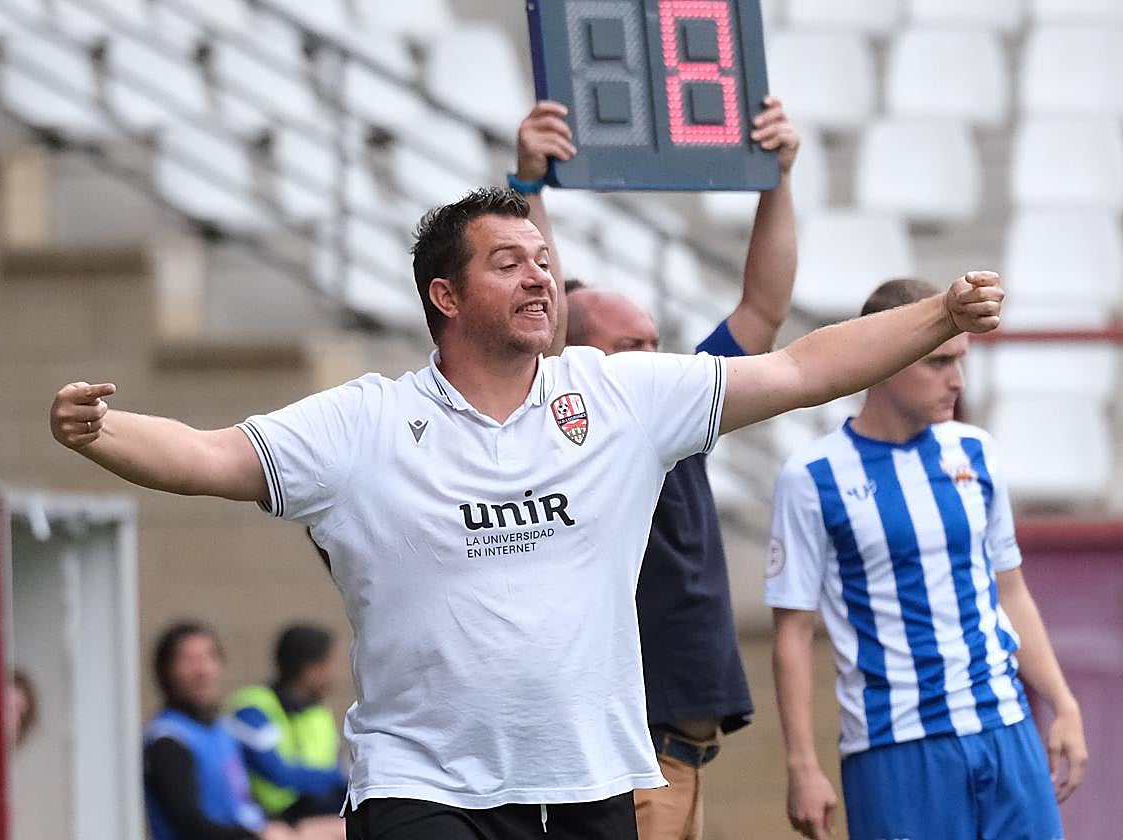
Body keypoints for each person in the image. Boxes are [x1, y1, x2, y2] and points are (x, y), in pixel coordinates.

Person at [50, 183, 1005, 840]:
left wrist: (940, 316)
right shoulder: (365, 422)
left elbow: (798, 369)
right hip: (422, 791)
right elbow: (212, 455)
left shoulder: (620, 394)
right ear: (445, 295)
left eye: (544, 261)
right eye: (508, 263)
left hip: (591, 783)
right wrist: (101, 431)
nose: (539, 277)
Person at [514, 97, 799, 840]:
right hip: (633, 758)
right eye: (629, 346)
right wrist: (529, 188)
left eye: (653, 341)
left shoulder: (676, 409)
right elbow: (545, 330)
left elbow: (763, 308)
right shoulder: (568, 430)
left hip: (680, 756)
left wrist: (778, 180)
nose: (653, 357)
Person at [764, 278, 1088, 840]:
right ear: (885, 358)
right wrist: (802, 763)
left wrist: (1062, 702)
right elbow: (792, 632)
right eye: (938, 361)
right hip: (896, 748)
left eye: (961, 360)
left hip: (1005, 725)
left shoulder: (976, 450)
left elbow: (1009, 590)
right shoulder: (812, 477)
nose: (957, 381)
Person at [143, 621, 345, 840]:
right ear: (166, 671)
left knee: (347, 828)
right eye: (190, 660)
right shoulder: (169, 739)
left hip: (258, 827)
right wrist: (259, 835)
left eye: (210, 657)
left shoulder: (220, 730)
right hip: (240, 836)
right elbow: (190, 824)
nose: (203, 670)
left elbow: (241, 803)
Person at [227, 624, 347, 823]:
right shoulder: (253, 708)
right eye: (330, 663)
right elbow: (278, 773)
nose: (335, 674)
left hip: (321, 816)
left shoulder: (319, 714)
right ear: (310, 669)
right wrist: (339, 777)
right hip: (271, 820)